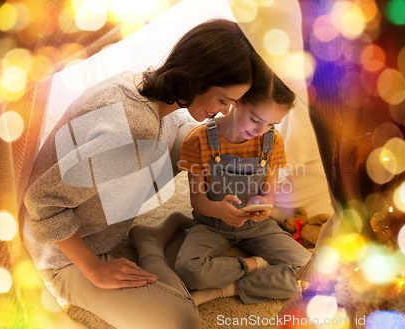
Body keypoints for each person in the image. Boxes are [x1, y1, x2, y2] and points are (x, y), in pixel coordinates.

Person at [23, 19, 264, 329]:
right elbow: (42, 201)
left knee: (199, 143)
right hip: (60, 256)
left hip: (99, 205)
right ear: (197, 78)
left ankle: (149, 237)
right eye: (223, 101)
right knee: (182, 321)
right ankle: (150, 246)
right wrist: (95, 269)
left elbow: (180, 130)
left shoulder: (141, 83)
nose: (224, 111)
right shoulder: (136, 133)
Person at [174, 70, 312, 306]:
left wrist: (263, 203)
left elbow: (270, 191)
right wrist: (218, 210)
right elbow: (197, 200)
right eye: (256, 119)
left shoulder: (273, 141)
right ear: (236, 100)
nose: (261, 130)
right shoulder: (197, 140)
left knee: (312, 271)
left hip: (257, 226)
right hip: (211, 224)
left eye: (272, 123)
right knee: (188, 270)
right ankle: (254, 265)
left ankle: (228, 289)